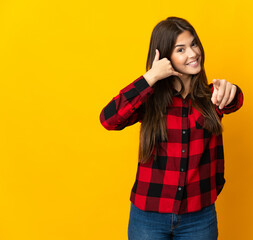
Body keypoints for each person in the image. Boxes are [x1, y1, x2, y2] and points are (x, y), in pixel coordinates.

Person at [99, 16, 244, 240]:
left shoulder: (212, 97)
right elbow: (109, 119)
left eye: (194, 44)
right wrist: (150, 77)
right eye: (181, 49)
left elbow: (235, 100)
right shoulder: (149, 98)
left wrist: (232, 89)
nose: (193, 53)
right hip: (148, 216)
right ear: (165, 57)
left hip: (199, 216)